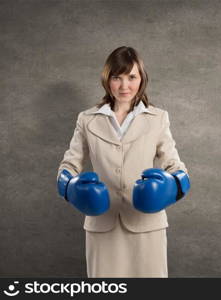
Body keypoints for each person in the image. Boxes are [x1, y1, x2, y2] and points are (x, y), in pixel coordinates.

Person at [56, 46, 190, 278]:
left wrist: (169, 187)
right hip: (102, 222)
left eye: (131, 77)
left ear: (142, 79)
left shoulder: (158, 118)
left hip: (147, 223)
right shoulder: (87, 119)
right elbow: (68, 166)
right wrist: (71, 187)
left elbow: (176, 167)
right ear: (107, 80)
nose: (124, 86)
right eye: (117, 77)